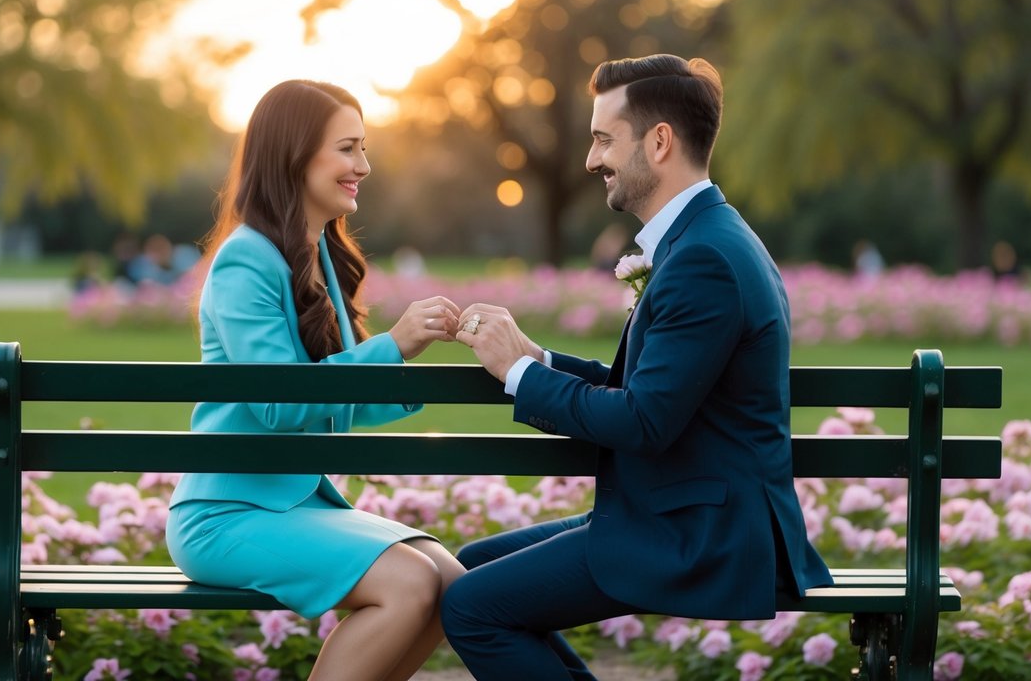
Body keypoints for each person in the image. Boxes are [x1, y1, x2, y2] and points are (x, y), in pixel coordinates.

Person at [447, 55, 833, 679]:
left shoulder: (702, 258)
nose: (591, 160)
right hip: (683, 507)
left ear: (659, 142)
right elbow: (652, 388)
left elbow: (645, 420)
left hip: (702, 532)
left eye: (603, 139)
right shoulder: (707, 239)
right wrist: (536, 358)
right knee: (473, 567)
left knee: (472, 607)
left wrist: (519, 378)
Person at [166, 79, 466, 681]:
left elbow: (335, 406)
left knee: (451, 584)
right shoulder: (246, 259)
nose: (364, 165)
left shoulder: (318, 253)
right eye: (348, 149)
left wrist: (408, 355)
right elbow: (280, 402)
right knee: (410, 582)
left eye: (364, 148)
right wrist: (391, 347)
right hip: (227, 513)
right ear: (295, 155)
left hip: (289, 503)